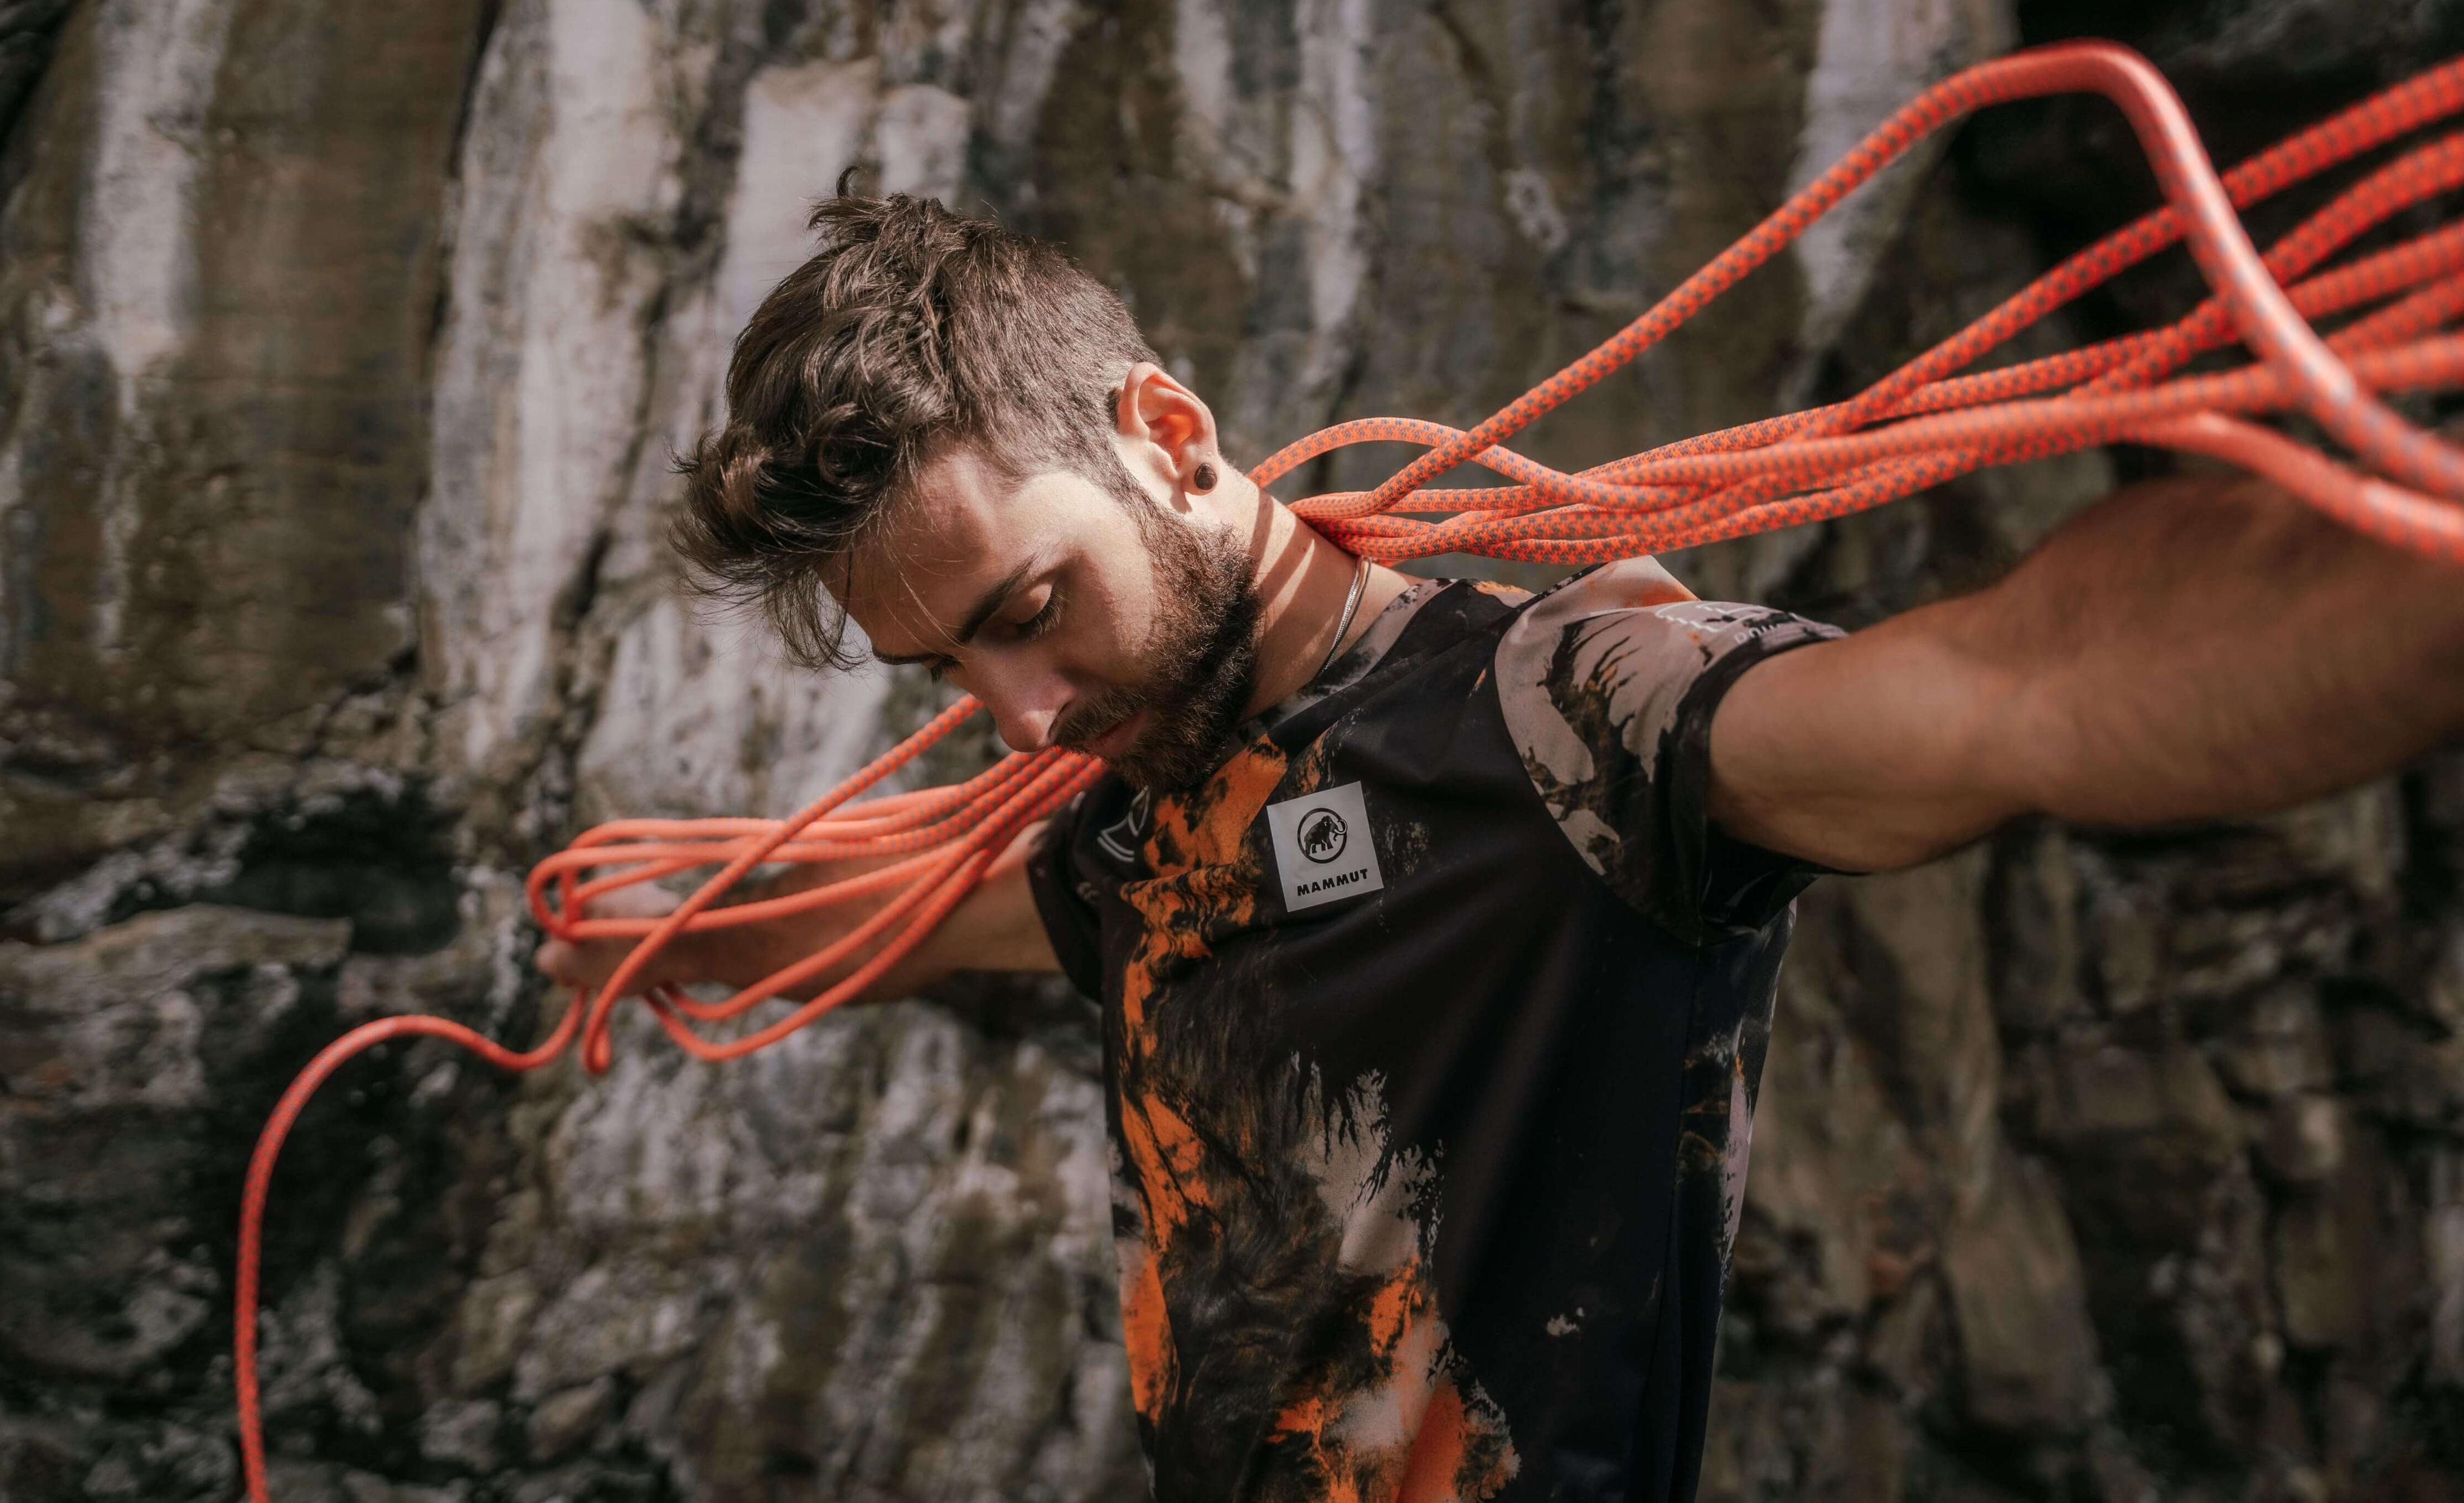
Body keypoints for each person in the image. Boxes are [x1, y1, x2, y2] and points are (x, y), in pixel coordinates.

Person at [538, 191, 2464, 1502]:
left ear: (1170, 432)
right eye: (946, 663)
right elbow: (973, 919)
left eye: (1032, 603)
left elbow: (2007, 695)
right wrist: (694, 937)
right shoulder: (1121, 830)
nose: (1018, 707)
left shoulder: (1559, 719)